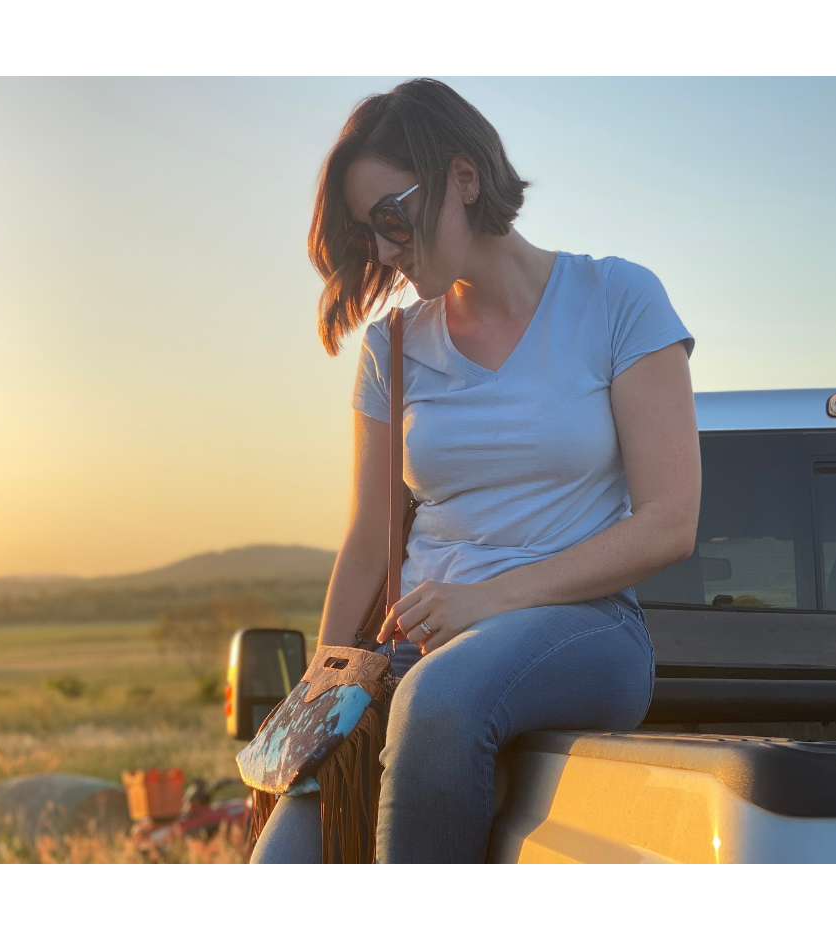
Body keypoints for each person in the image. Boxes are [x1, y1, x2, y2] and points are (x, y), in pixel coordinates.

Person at [251, 77, 700, 864]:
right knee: (283, 857)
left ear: (464, 178)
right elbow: (369, 537)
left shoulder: (616, 297)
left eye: (393, 216)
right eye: (370, 233)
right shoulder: (392, 347)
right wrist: (327, 694)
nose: (387, 250)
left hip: (587, 628)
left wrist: (483, 601)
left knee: (443, 697)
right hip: (416, 647)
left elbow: (669, 522)